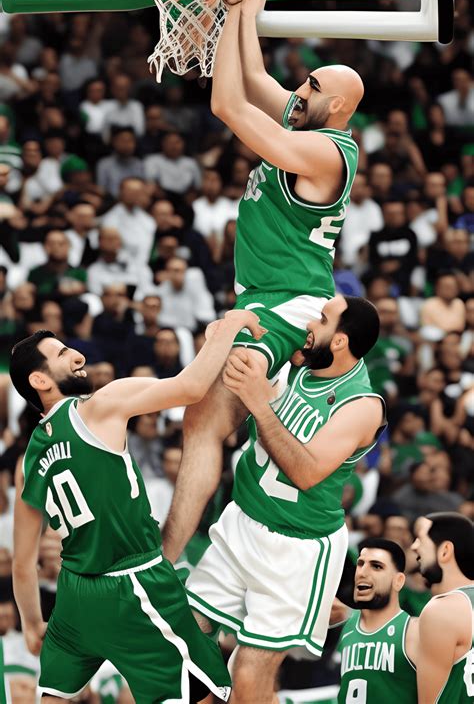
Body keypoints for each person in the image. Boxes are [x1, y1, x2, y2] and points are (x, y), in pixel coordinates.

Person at [163, 0, 365, 563]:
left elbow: (227, 104)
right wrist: (247, 8)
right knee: (203, 420)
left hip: (295, 304)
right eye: (304, 82)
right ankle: (174, 554)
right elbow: (252, 77)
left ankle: (167, 555)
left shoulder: (327, 153)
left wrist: (228, 14)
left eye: (314, 88)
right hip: (268, 298)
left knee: (202, 418)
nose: (300, 91)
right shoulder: (303, 121)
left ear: (341, 107)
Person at [9, 308, 264, 703]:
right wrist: (230, 325)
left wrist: (31, 625)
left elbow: (22, 564)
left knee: (55, 697)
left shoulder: (27, 463)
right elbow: (191, 387)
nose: (78, 355)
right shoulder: (98, 405)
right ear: (39, 380)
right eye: (62, 354)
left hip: (74, 596)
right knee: (209, 689)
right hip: (132, 582)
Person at [186, 294, 385, 704]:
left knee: (247, 679)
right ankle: (324, 609)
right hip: (243, 521)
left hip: (296, 546)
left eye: (324, 318)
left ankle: (322, 606)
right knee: (185, 639)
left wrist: (260, 401)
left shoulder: (361, 405)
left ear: (342, 341)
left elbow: (307, 472)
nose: (312, 321)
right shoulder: (304, 360)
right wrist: (229, 334)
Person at [337, 538, 418, 703]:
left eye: (376, 566)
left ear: (398, 581)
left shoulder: (414, 630)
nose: (362, 572)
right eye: (360, 564)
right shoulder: (343, 623)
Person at [411, 512, 474, 704]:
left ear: (445, 550)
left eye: (421, 539)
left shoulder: (442, 610)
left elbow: (430, 701)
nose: (414, 546)